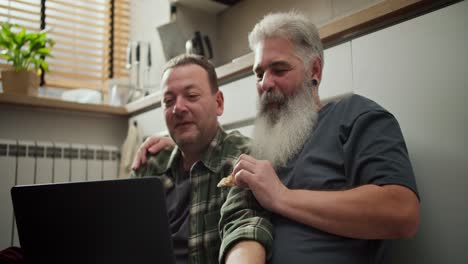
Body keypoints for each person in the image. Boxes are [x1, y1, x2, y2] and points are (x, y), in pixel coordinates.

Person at [135, 11, 421, 264]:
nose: (265, 84)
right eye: (258, 74)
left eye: (279, 70)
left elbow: (402, 212)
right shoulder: (265, 146)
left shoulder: (354, 116)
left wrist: (282, 197)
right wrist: (180, 144)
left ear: (315, 70)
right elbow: (238, 217)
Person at [130, 54, 272, 264]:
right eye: (169, 101)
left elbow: (244, 228)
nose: (178, 108)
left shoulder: (242, 159)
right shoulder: (150, 163)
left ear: (219, 103)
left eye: (192, 96)